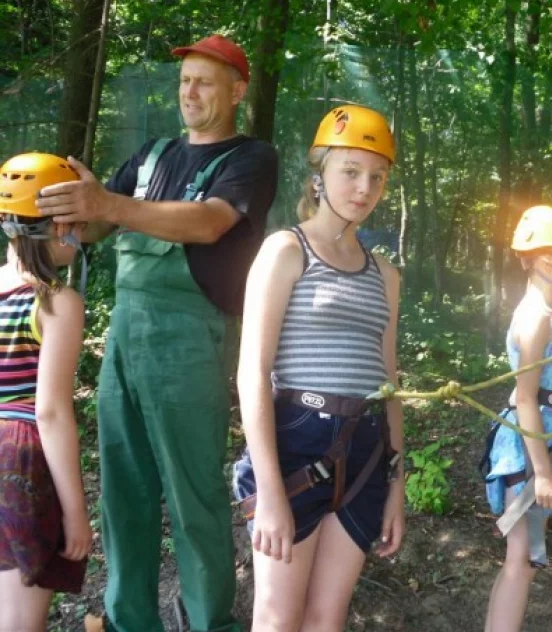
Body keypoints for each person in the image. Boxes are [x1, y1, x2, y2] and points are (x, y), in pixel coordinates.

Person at [35, 34, 279, 632]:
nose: (189, 92)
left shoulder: (251, 158)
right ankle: (128, 621)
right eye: (184, 81)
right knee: (124, 496)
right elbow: (91, 230)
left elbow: (210, 222)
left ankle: (208, 623)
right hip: (125, 340)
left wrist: (109, 206)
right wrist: (54, 216)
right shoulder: (151, 155)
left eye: (204, 81)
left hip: (192, 343)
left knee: (193, 501)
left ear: (237, 90)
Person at [232, 104, 405, 631]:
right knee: (278, 617)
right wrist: (269, 493)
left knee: (327, 618)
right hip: (295, 442)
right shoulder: (287, 250)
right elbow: (252, 374)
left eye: (376, 176)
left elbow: (390, 384)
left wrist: (397, 483)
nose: (364, 187)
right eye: (350, 171)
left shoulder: (387, 274)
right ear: (319, 175)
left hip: (366, 449)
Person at [481, 204, 552, 632]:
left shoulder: (546, 317)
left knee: (520, 560)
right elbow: (527, 400)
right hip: (524, 457)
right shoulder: (534, 320)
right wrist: (543, 473)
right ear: (549, 262)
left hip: (535, 453)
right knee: (521, 560)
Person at [0, 153, 92, 632]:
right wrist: (76, 514)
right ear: (59, 227)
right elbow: (51, 412)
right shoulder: (56, 301)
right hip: (20, 461)